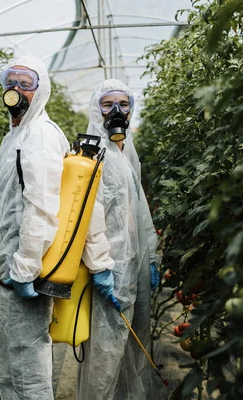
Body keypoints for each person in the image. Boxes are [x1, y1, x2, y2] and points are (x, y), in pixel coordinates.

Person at [0, 55, 70, 399]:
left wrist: (25, 268)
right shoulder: (15, 136)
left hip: (25, 269)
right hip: (8, 265)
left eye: (26, 83)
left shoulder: (40, 137)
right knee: (8, 364)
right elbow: (6, 206)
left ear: (40, 90)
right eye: (10, 82)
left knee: (28, 369)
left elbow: (42, 209)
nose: (16, 90)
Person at [77, 79, 161, 399]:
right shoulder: (92, 150)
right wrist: (100, 266)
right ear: (96, 109)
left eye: (123, 105)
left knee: (132, 343)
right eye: (107, 104)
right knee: (104, 351)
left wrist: (150, 255)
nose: (116, 111)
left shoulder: (126, 150)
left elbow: (139, 208)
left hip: (132, 263)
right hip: (110, 266)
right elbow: (87, 211)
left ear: (131, 110)